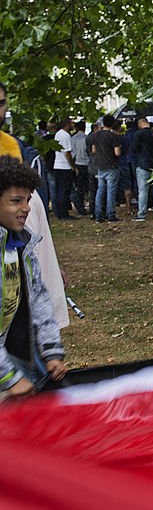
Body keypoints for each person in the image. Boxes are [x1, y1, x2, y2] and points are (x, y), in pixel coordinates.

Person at [0, 156, 68, 399]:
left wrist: (51, 351)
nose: (27, 208)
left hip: (19, 358)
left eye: (28, 200)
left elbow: (39, 300)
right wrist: (9, 378)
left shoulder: (22, 244)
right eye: (16, 201)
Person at [132, 116, 153, 220]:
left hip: (143, 164)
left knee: (143, 191)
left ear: (140, 124)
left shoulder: (138, 134)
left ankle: (142, 213)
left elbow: (135, 148)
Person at [91, 114, 122, 222]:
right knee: (111, 191)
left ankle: (98, 215)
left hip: (100, 166)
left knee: (100, 190)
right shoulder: (113, 136)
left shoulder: (96, 135)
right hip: (112, 166)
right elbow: (117, 153)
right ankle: (111, 214)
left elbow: (93, 150)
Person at [51, 117, 76, 219]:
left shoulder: (58, 134)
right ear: (67, 124)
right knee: (64, 191)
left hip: (58, 165)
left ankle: (60, 211)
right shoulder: (65, 136)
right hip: (64, 166)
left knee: (60, 190)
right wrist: (72, 166)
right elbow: (67, 153)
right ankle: (63, 213)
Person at [70, 120, 90, 216]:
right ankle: (90, 205)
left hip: (78, 164)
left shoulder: (73, 139)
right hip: (88, 164)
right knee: (89, 187)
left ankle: (81, 207)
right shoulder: (87, 138)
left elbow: (72, 153)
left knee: (80, 187)